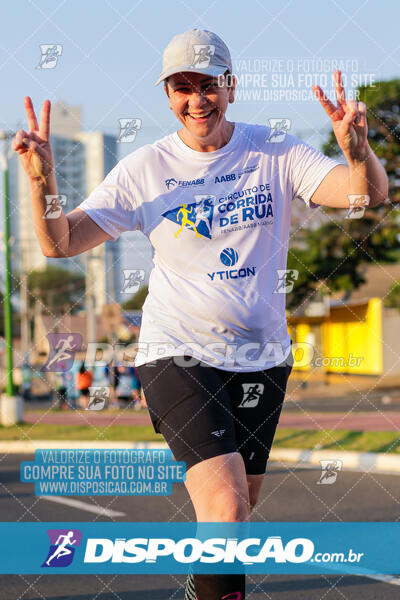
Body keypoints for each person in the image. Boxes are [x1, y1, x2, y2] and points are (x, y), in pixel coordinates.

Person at [13, 28, 387, 600]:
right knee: (226, 503)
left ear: (230, 87)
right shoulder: (145, 169)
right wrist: (42, 184)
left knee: (237, 509)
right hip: (176, 350)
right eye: (182, 88)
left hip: (262, 357)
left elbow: (365, 196)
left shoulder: (275, 152)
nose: (197, 100)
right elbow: (60, 242)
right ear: (167, 96)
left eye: (208, 85)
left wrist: (357, 151)